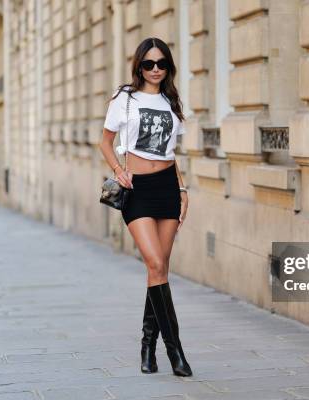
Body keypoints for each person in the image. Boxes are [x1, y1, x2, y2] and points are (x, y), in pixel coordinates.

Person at [98, 37, 192, 377]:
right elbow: (105, 142)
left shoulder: (171, 100)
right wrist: (119, 171)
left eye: (161, 64)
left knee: (159, 269)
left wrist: (182, 188)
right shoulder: (124, 98)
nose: (155, 70)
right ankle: (176, 353)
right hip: (136, 188)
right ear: (139, 65)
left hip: (167, 186)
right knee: (153, 261)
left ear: (168, 67)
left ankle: (147, 346)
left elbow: (171, 153)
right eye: (148, 64)